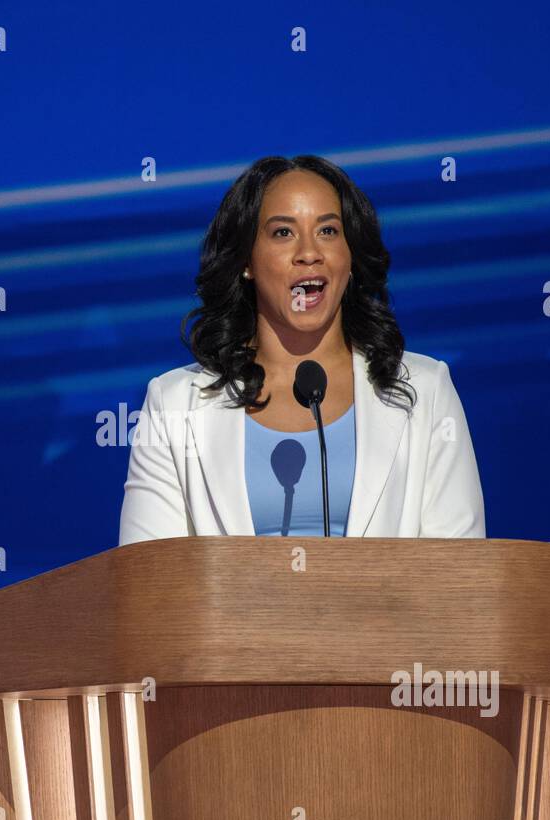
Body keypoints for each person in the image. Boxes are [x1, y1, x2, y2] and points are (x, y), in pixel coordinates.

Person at [118, 155, 484, 545]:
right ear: (246, 263)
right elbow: (151, 582)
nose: (309, 252)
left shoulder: (426, 391)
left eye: (328, 231)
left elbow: (458, 576)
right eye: (283, 233)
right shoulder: (174, 404)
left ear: (350, 257)